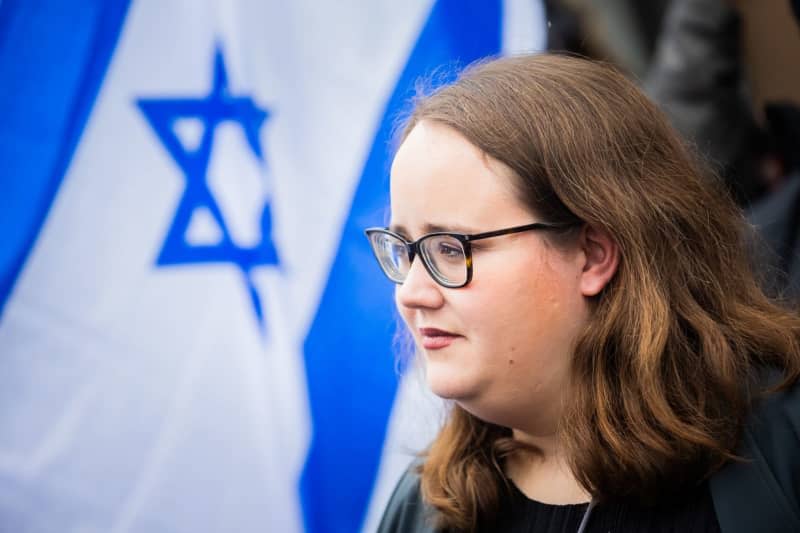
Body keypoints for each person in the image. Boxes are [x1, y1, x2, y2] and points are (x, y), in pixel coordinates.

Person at [364, 53, 800, 533]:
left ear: (592, 255)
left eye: (450, 248)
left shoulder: (780, 451)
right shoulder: (425, 507)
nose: (412, 293)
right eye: (404, 250)